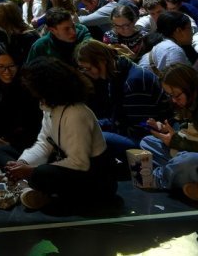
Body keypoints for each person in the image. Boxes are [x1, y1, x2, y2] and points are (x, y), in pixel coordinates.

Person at [5, 57, 118, 211]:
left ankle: (34, 190)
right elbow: (44, 144)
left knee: (41, 174)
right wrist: (23, 162)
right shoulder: (49, 105)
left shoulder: (75, 113)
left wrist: (31, 171)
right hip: (68, 166)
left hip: (95, 179)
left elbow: (80, 163)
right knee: (0, 152)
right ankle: (35, 189)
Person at [75, 39, 171, 157]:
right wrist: (93, 124)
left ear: (102, 61)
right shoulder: (117, 76)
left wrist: (98, 128)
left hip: (150, 139)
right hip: (133, 130)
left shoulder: (132, 82)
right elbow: (119, 118)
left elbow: (141, 126)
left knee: (95, 137)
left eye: (88, 68)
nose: (87, 73)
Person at [139, 64, 198, 201]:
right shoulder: (190, 105)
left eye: (176, 95)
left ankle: (158, 178)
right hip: (186, 150)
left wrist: (176, 141)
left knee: (188, 161)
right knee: (147, 142)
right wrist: (167, 131)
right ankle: (185, 180)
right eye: (170, 96)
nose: (174, 100)